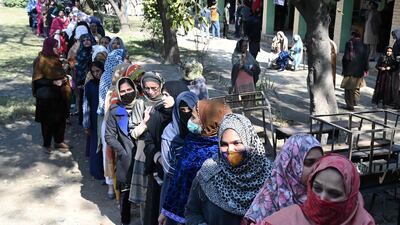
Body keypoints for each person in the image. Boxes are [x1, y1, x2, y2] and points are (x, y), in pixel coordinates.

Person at [185, 113, 273, 225]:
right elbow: (192, 212)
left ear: (249, 141)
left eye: (237, 143)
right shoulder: (208, 173)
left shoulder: (271, 176)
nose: (230, 150)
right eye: (224, 144)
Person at [160, 99, 231, 224]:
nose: (189, 120)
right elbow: (179, 179)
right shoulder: (192, 140)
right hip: (179, 210)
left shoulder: (220, 152)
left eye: (193, 117)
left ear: (207, 121)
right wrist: (166, 210)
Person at [256, 154, 375, 225]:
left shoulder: (364, 222)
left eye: (334, 194)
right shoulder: (287, 219)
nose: (322, 199)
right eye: (317, 188)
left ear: (350, 197)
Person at [243, 134, 323, 224]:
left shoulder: (325, 194)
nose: (318, 168)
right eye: (309, 162)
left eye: (321, 162)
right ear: (289, 165)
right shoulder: (266, 203)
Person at [143, 80, 190, 225]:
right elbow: (148, 141)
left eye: (167, 95)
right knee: (157, 211)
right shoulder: (157, 115)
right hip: (161, 172)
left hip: (184, 178)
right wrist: (158, 157)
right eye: (162, 94)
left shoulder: (190, 118)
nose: (163, 98)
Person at [128, 72, 164, 224]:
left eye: (154, 88)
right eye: (147, 88)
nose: (150, 92)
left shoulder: (166, 102)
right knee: (145, 198)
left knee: (160, 196)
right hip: (143, 155)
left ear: (160, 86)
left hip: (162, 154)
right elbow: (133, 133)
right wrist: (145, 122)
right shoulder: (140, 104)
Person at [159, 91, 199, 225]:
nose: (186, 113)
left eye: (190, 110)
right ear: (177, 110)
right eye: (182, 110)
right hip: (174, 187)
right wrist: (185, 178)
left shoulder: (202, 131)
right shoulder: (169, 133)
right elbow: (167, 166)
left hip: (197, 191)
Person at [105, 77, 138, 225]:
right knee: (126, 191)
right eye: (123, 91)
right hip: (126, 159)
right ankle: (126, 220)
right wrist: (123, 151)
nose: (126, 93)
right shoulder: (114, 111)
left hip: (144, 156)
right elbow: (109, 137)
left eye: (129, 90)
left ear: (135, 89)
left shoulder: (144, 107)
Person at [32, 37, 72, 153]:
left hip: (60, 94)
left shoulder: (56, 59)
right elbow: (37, 80)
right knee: (48, 121)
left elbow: (59, 72)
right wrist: (53, 82)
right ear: (49, 47)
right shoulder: (40, 60)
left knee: (61, 119)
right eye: (55, 46)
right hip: (47, 96)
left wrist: (64, 77)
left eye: (57, 45)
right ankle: (46, 144)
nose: (57, 48)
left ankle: (59, 141)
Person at [98, 49, 125, 199]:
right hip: (110, 126)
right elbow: (103, 108)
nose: (116, 75)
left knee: (118, 157)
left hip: (118, 127)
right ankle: (111, 187)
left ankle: (117, 188)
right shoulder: (110, 91)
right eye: (116, 71)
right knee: (109, 156)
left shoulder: (125, 89)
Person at [83, 60, 105, 179]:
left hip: (105, 119)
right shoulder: (90, 85)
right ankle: (97, 172)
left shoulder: (107, 84)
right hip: (93, 119)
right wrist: (86, 124)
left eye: (98, 71)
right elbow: (86, 105)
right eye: (93, 71)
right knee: (95, 145)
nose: (96, 74)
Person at [341, 31, 369, 111]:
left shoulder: (349, 43)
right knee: (356, 87)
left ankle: (350, 105)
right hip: (359, 71)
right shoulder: (365, 46)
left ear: (352, 35)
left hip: (350, 70)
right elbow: (366, 59)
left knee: (348, 89)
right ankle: (355, 102)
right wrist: (366, 69)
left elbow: (346, 57)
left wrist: (344, 68)